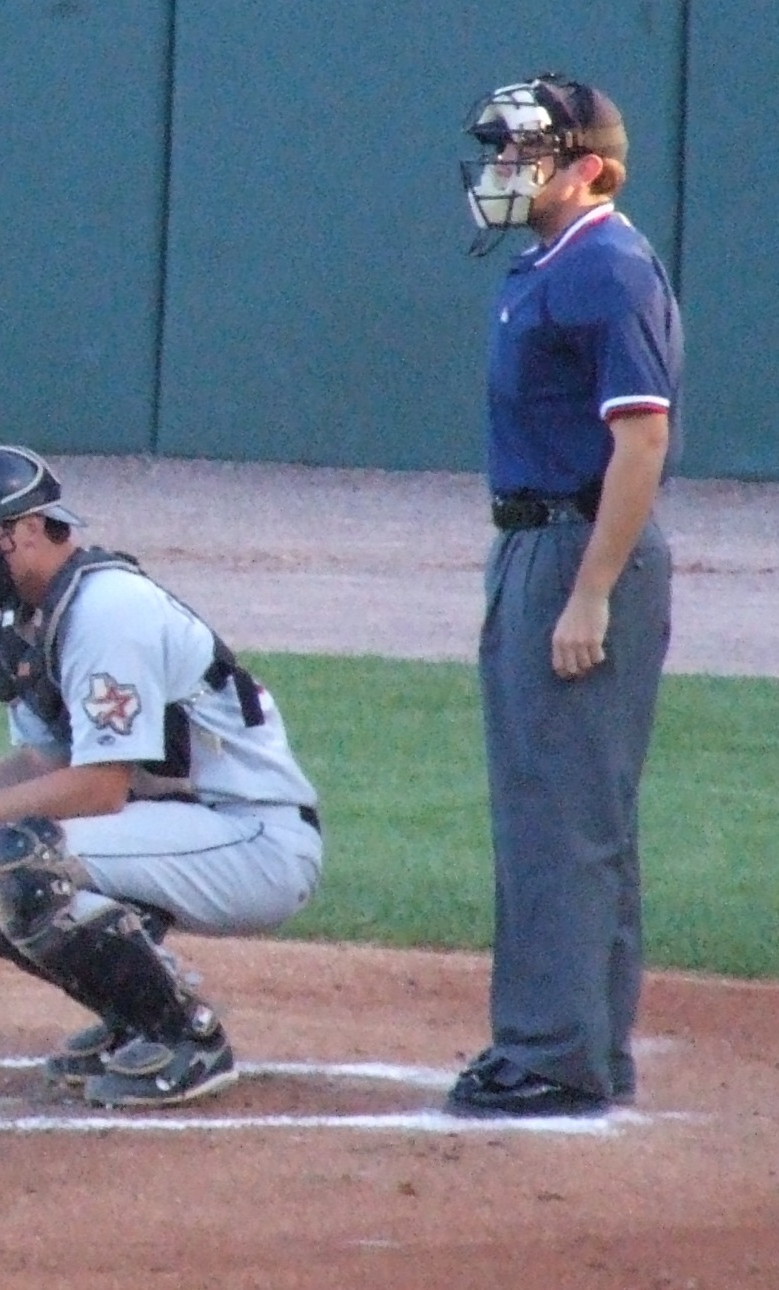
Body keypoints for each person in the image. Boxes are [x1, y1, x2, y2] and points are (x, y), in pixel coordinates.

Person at [0, 445, 323, 1108]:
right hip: (177, 827)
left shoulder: (106, 609)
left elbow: (99, 789)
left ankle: (187, 1037)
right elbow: (46, 763)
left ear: (28, 530)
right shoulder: (29, 617)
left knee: (20, 859)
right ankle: (136, 1013)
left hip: (253, 839)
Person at [446, 75, 681, 1118]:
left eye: (519, 153)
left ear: (585, 167)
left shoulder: (606, 267)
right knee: (566, 808)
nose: (499, 170)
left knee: (561, 815)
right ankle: (584, 1046)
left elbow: (642, 442)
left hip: (578, 547)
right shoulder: (551, 262)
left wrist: (589, 593)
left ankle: (552, 1054)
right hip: (537, 544)